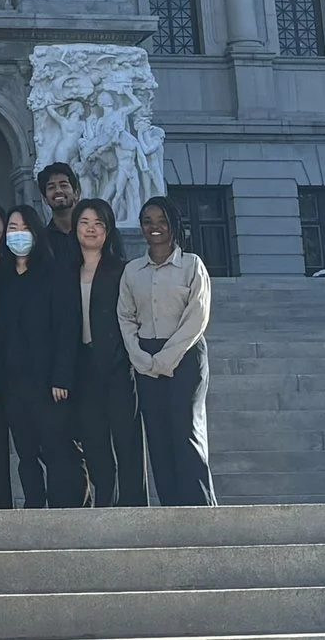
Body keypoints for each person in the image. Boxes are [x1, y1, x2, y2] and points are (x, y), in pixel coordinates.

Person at [118, 194, 215, 506]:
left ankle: (201, 511)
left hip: (185, 356)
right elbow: (125, 316)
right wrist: (141, 357)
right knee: (157, 437)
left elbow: (196, 317)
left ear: (174, 225)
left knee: (186, 431)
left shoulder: (192, 265)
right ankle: (171, 510)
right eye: (148, 221)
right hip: (146, 360)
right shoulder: (132, 271)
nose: (154, 227)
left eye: (161, 221)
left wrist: (165, 359)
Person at [0, 202, 78, 508]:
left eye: (24, 229)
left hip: (48, 382)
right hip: (14, 383)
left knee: (55, 450)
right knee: (25, 453)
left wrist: (61, 376)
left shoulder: (54, 274)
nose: (18, 235)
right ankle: (33, 506)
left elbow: (67, 328)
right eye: (12, 229)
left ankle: (63, 509)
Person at [67, 196, 140, 506]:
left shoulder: (122, 271)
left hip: (117, 367)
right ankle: (104, 506)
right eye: (84, 222)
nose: (91, 229)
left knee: (127, 443)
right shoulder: (67, 271)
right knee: (94, 442)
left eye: (99, 223)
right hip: (83, 368)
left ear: (109, 230)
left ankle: (134, 507)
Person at [38, 162, 82, 265]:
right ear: (45, 199)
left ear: (76, 193)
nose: (58, 191)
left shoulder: (92, 233)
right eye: (51, 187)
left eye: (63, 185)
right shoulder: (41, 242)